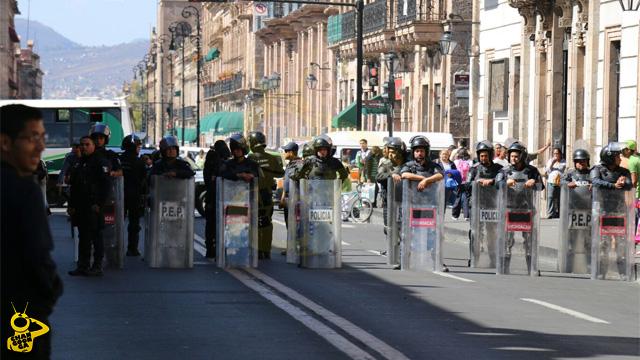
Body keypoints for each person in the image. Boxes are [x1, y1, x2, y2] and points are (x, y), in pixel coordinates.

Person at [1, 104, 63, 360]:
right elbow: (38, 256)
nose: (40, 147)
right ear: (5, 142)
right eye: (32, 138)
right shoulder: (23, 191)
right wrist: (51, 292)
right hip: (19, 312)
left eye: (43, 138)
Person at [495, 141, 545, 273]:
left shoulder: (532, 171)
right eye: (511, 156)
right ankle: (504, 267)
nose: (513, 159)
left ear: (522, 156)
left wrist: (534, 181)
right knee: (507, 240)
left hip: (527, 209)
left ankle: (532, 267)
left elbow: (541, 185)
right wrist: (505, 182)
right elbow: (496, 183)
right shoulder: (504, 171)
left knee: (529, 240)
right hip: (509, 208)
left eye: (516, 156)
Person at [68, 136, 112, 277]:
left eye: (87, 144)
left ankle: (97, 265)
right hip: (81, 206)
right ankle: (83, 264)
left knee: (96, 234)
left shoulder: (100, 162)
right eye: (82, 145)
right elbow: (74, 186)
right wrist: (71, 205)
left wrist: (99, 204)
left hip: (93, 205)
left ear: (93, 146)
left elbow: (106, 185)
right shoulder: (80, 163)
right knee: (83, 236)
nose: (84, 147)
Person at [400, 136, 445, 270]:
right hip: (413, 204)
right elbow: (404, 175)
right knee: (408, 233)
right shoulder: (409, 165)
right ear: (413, 152)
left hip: (430, 204)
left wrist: (426, 181)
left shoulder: (433, 165)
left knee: (433, 233)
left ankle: (436, 260)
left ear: (426, 151)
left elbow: (440, 175)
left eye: (422, 151)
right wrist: (422, 178)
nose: (420, 153)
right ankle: (404, 259)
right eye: (417, 151)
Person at [219, 134, 267, 256]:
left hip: (249, 201)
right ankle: (230, 252)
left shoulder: (252, 164)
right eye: (235, 149)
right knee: (231, 228)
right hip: (231, 201)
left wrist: (252, 176)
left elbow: (260, 178)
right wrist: (238, 176)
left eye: (239, 149)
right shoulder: (227, 164)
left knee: (247, 229)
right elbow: (222, 173)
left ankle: (249, 253)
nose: (237, 151)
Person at [590, 142, 633, 279]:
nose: (620, 158)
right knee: (603, 243)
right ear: (609, 157)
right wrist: (613, 185)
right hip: (602, 211)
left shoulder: (623, 171)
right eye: (617, 156)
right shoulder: (598, 169)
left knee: (621, 243)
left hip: (619, 211)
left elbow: (629, 184)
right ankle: (601, 272)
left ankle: (623, 273)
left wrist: (623, 182)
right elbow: (596, 182)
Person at [463, 140, 504, 266]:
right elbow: (467, 185)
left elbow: (500, 180)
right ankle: (474, 258)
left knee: (492, 233)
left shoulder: (498, 169)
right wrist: (477, 182)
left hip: (492, 205)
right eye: (481, 156)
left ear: (490, 155)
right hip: (477, 205)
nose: (483, 158)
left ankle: (493, 258)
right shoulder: (474, 169)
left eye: (486, 156)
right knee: (475, 233)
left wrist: (490, 181)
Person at [247, 131, 284, 260]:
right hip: (267, 195)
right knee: (267, 222)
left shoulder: (250, 159)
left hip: (254, 195)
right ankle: (266, 251)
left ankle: (257, 250)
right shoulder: (271, 158)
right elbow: (280, 173)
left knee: (254, 222)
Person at [203, 141, 231, 259]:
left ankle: (210, 248)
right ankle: (219, 248)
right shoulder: (223, 165)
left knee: (211, 224)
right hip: (222, 197)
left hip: (213, 196)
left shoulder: (210, 162)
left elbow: (208, 181)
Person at [119, 134, 146, 256]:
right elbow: (145, 178)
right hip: (134, 195)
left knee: (116, 223)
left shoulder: (118, 160)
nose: (139, 148)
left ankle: (116, 247)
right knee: (134, 224)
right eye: (138, 146)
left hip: (119, 195)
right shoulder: (140, 162)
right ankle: (132, 248)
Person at [376, 137, 406, 235]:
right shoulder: (386, 165)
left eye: (393, 152)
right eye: (389, 152)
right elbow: (378, 176)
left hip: (404, 201)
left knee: (404, 228)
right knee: (388, 229)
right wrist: (390, 175)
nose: (390, 155)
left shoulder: (407, 164)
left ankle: (402, 249)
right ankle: (390, 249)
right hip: (389, 201)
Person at [280, 142, 302, 229]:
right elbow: (286, 182)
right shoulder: (289, 165)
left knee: (295, 226)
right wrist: (282, 199)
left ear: (291, 153)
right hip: (287, 198)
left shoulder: (299, 164)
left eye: (286, 151)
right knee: (289, 225)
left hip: (295, 198)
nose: (284, 153)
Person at [621, 140, 639, 229]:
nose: (621, 152)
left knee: (634, 216)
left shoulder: (632, 161)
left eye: (623, 150)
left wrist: (631, 193)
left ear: (628, 150)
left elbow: (634, 180)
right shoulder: (637, 158)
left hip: (637, 194)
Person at [545, 147, 566, 218]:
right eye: (554, 154)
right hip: (552, 181)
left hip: (560, 181)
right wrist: (552, 163)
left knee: (560, 197)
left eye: (557, 154)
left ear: (560, 154)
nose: (556, 155)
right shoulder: (550, 161)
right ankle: (550, 213)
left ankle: (559, 212)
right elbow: (548, 170)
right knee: (551, 196)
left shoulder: (564, 161)